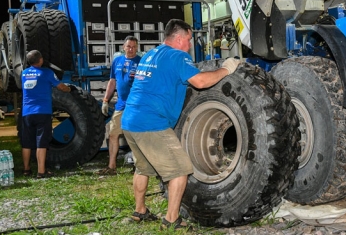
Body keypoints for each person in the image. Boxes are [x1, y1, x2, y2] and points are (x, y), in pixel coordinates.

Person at [121, 19, 240, 229]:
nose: (190, 44)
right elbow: (200, 82)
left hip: (130, 120)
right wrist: (226, 70)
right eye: (188, 39)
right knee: (180, 170)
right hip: (151, 123)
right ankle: (172, 220)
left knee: (143, 168)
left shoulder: (150, 54)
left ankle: (139, 211)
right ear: (178, 38)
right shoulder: (178, 56)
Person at [20, 50, 71, 179]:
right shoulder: (47, 73)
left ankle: (26, 169)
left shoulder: (24, 73)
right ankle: (41, 171)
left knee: (26, 142)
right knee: (41, 142)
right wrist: (69, 88)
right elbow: (61, 87)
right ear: (40, 60)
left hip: (27, 113)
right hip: (42, 111)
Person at [96, 36, 141, 176]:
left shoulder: (141, 62)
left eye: (134, 47)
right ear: (123, 47)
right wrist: (105, 100)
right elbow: (112, 82)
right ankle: (112, 166)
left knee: (135, 135)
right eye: (128, 47)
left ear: (137, 48)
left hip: (136, 104)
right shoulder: (117, 61)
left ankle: (138, 166)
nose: (131, 49)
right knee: (113, 133)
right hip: (121, 104)